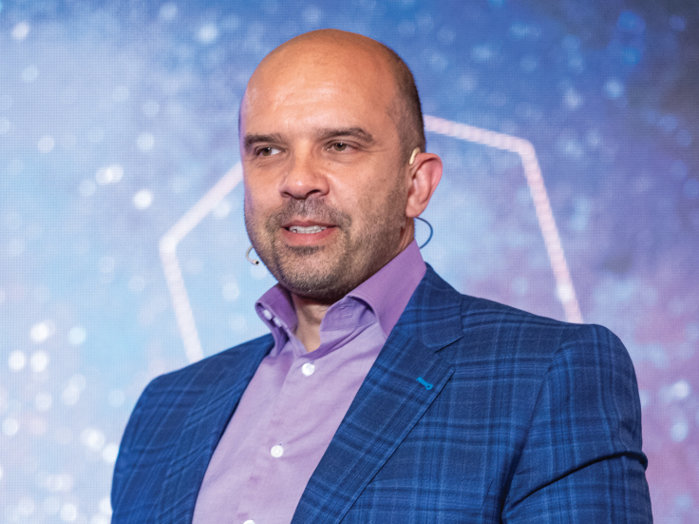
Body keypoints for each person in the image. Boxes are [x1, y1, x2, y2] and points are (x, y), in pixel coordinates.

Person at [111, 29, 652, 522]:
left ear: (416, 184)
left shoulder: (546, 375)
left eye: (340, 146)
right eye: (268, 150)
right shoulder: (166, 411)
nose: (298, 180)